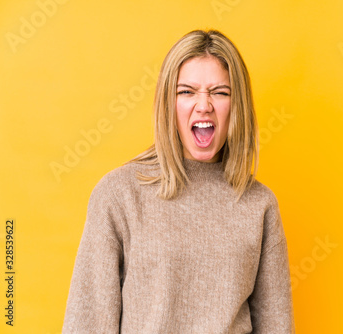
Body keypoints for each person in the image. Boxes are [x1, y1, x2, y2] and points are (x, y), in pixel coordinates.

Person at [62, 29, 295, 333]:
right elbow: (88, 323)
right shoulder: (119, 194)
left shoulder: (259, 205)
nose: (204, 105)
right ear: (168, 104)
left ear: (237, 106)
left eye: (220, 92)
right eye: (186, 91)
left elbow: (277, 326)